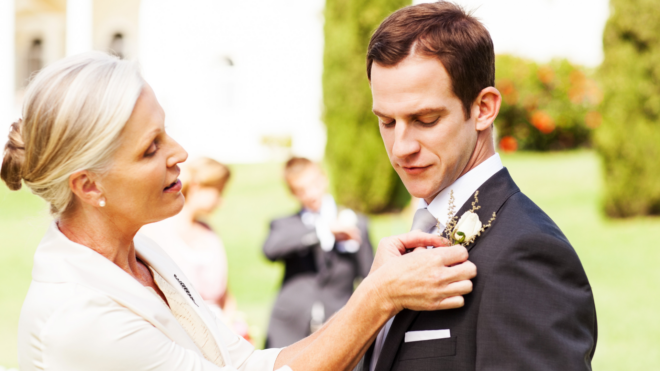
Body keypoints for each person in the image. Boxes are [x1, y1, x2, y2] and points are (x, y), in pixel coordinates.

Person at [3, 52, 477, 371]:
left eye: (165, 132)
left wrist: (374, 285)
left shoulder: (141, 256)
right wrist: (379, 298)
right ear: (88, 185)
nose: (180, 153)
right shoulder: (80, 319)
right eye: (151, 149)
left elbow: (248, 363)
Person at [359, 2, 597, 371]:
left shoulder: (527, 253)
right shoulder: (411, 241)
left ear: (483, 108)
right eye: (387, 122)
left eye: (425, 119)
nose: (401, 146)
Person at [264, 157, 374, 348]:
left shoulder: (356, 223)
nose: (311, 194)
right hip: (290, 328)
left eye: (314, 184)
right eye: (301, 190)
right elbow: (270, 250)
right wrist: (322, 231)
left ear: (324, 179)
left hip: (338, 324)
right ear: (292, 192)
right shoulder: (285, 225)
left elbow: (369, 276)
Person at [140, 157, 250, 338]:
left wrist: (233, 326)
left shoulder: (209, 233)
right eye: (218, 191)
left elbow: (225, 294)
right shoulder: (156, 232)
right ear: (198, 186)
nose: (221, 202)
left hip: (221, 332)